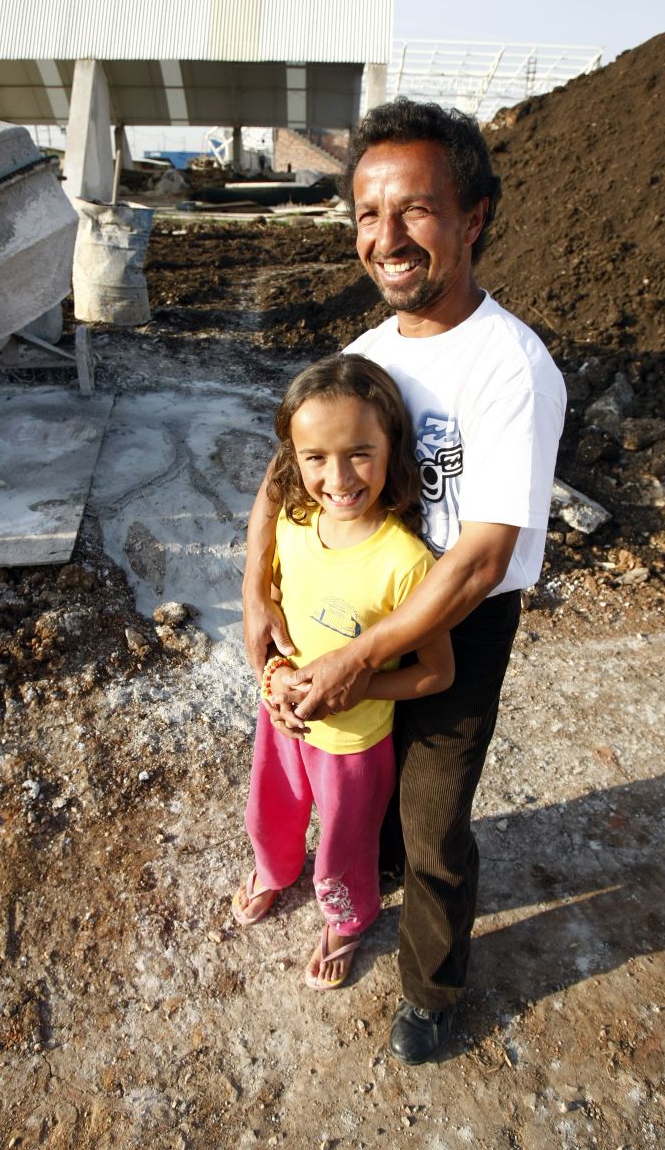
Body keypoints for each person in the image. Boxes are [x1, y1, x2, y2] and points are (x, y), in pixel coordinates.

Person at [243, 99, 566, 1060]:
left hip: (455, 633)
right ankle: (360, 867)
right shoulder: (369, 355)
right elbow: (279, 476)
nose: (386, 239)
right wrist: (255, 591)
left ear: (474, 218)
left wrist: (359, 659)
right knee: (356, 771)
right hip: (350, 608)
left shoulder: (510, 366)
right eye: (367, 215)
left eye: (416, 211)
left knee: (433, 823)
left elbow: (480, 558)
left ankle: (432, 983)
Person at [232, 354, 455, 990]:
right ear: (293, 460)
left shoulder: (407, 563)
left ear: (393, 448)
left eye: (360, 452)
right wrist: (274, 670)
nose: (338, 477)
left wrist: (357, 686)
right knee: (268, 810)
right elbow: (277, 605)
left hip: (355, 745)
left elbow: (434, 674)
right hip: (280, 721)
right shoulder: (295, 523)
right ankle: (274, 871)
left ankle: (346, 921)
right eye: (316, 458)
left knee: (345, 846)